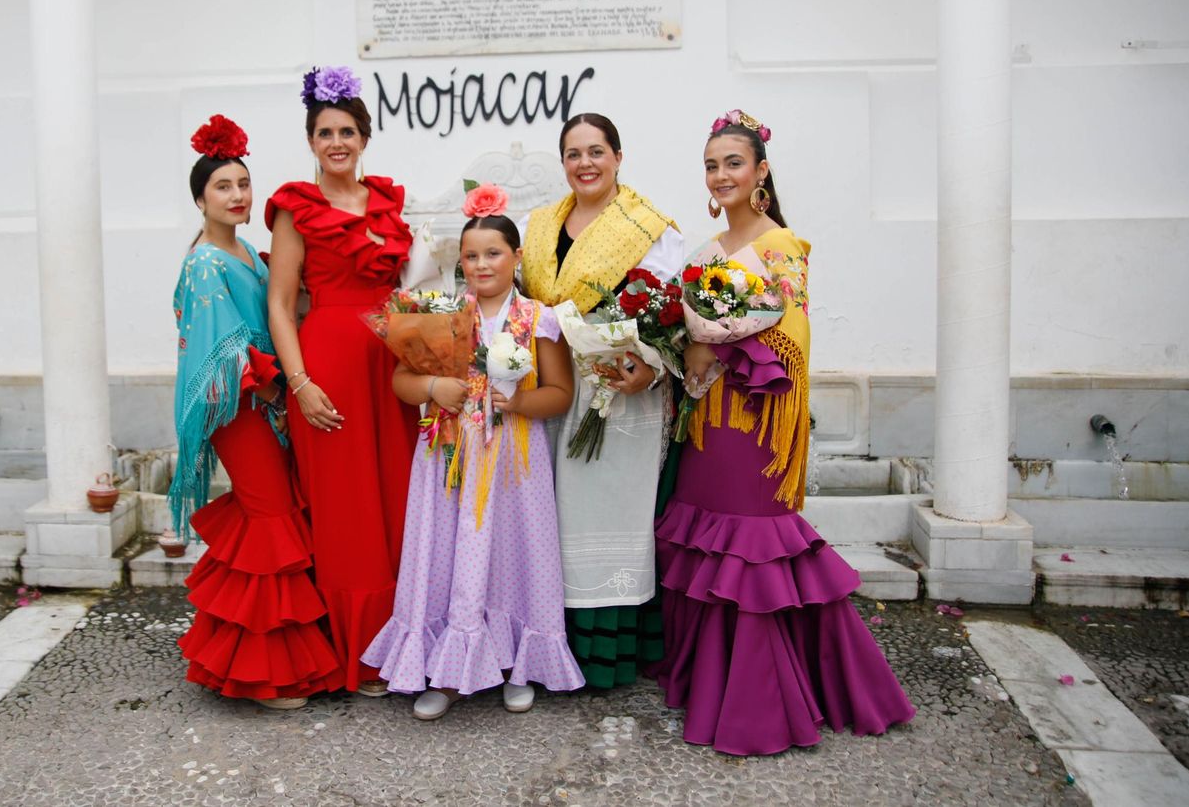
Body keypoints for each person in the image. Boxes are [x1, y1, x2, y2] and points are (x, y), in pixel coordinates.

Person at [654, 108, 915, 753]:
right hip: (705, 422)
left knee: (754, 547)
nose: (720, 176)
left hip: (753, 421)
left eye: (733, 163)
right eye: (711, 166)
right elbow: (694, 328)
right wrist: (682, 346)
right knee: (707, 540)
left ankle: (758, 698)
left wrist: (714, 349)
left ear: (761, 170)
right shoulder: (706, 254)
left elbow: (789, 342)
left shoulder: (781, 248)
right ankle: (705, 679)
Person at [363, 186, 583, 719]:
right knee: (446, 554)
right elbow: (401, 380)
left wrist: (520, 400)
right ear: (459, 262)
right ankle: (443, 669)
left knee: (513, 557)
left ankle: (515, 665)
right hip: (449, 455)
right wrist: (434, 390)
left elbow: (562, 393)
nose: (481, 264)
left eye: (493, 253)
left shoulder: (538, 319)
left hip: (514, 462)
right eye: (471, 255)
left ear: (516, 257)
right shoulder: (440, 313)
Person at [170, 114, 341, 709]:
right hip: (240, 410)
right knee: (270, 524)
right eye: (223, 187)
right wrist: (275, 389)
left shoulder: (243, 248)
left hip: (268, 403)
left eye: (243, 184)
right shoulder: (205, 264)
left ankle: (249, 656)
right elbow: (218, 353)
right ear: (200, 198)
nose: (238, 196)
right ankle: (265, 674)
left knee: (273, 519)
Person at [266, 66, 419, 695]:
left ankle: (402, 642)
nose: (337, 142)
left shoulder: (385, 199)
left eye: (347, 132)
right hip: (326, 365)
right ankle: (353, 654)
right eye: (325, 132)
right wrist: (300, 383)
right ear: (311, 141)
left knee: (398, 496)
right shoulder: (295, 210)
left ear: (364, 138)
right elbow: (280, 303)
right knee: (346, 508)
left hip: (393, 366)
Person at [521, 112, 684, 690]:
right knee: (557, 514)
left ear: (618, 157)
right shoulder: (541, 226)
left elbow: (672, 308)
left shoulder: (648, 227)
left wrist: (651, 364)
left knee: (611, 512)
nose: (585, 163)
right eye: (573, 154)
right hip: (557, 386)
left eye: (596, 152)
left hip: (619, 388)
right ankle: (551, 645)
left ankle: (611, 654)